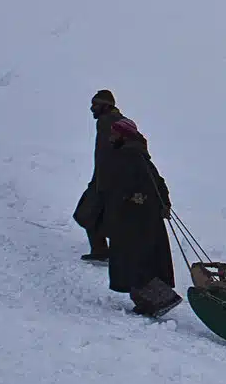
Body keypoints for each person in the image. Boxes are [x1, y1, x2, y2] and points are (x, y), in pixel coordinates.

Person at [94, 101, 176, 313]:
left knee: (134, 262)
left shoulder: (129, 155)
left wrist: (130, 199)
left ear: (123, 135)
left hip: (133, 220)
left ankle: (157, 300)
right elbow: (158, 183)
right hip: (139, 218)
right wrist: (163, 203)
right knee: (140, 260)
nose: (111, 137)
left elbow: (134, 185)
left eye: (114, 134)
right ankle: (151, 300)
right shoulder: (137, 154)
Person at [71, 90, 118, 261]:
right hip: (104, 179)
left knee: (86, 213)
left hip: (106, 181)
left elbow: (109, 154)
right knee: (97, 215)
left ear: (105, 106)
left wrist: (103, 182)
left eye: (95, 105)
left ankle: (103, 251)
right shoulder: (114, 121)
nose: (92, 109)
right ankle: (102, 250)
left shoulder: (108, 122)